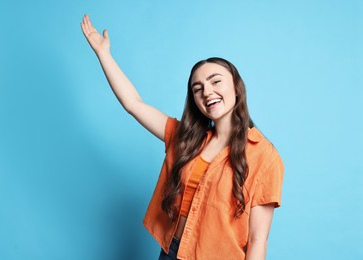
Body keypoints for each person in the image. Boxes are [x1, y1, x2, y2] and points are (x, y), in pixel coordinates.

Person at [81, 14, 284, 260]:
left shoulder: (263, 155)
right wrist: (104, 55)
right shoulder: (186, 139)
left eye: (215, 81)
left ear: (236, 88)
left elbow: (258, 239)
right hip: (171, 252)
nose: (207, 91)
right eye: (197, 89)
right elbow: (133, 104)